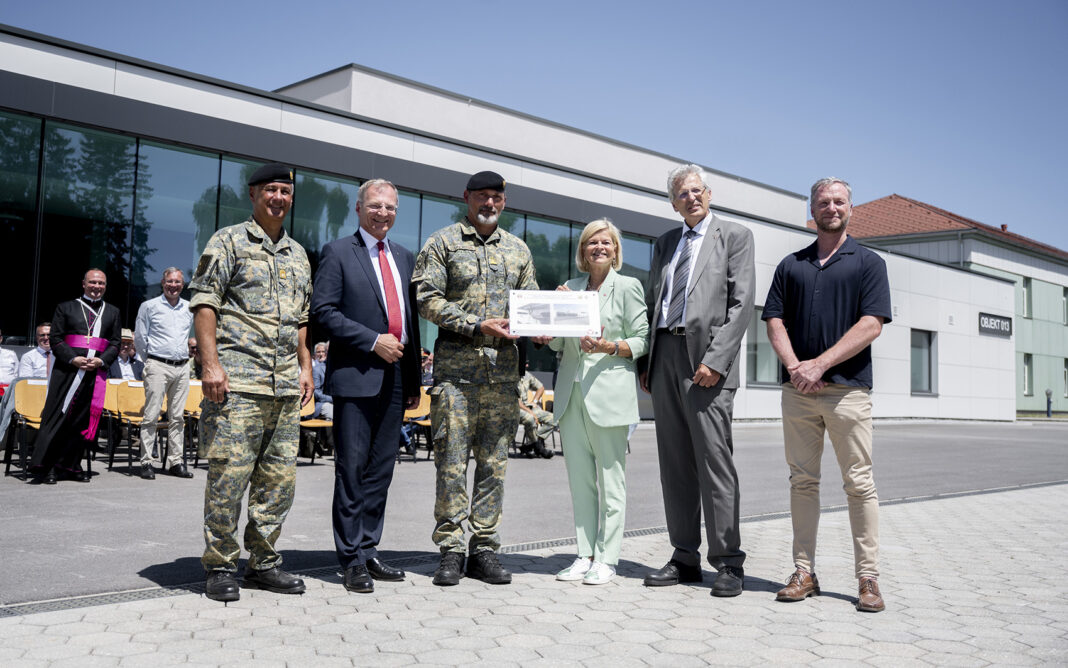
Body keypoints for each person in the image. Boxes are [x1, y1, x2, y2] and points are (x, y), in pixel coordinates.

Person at [763, 177, 892, 613]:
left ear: (850, 209)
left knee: (859, 483)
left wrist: (820, 364)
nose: (831, 207)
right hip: (798, 393)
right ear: (812, 210)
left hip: (847, 393)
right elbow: (774, 321)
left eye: (839, 201)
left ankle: (868, 578)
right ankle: (804, 571)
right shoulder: (791, 265)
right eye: (824, 202)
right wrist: (797, 367)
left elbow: (871, 323)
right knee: (803, 482)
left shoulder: (868, 263)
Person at [189, 162, 313, 603]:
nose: (279, 197)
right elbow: (204, 303)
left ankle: (263, 562)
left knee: (278, 481)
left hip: (283, 388)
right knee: (229, 477)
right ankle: (220, 565)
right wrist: (211, 365)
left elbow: (301, 317)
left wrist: (305, 366)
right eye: (271, 190)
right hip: (238, 382)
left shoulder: (298, 254)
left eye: (286, 190)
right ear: (254, 194)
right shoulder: (228, 241)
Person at [414, 170, 543, 586]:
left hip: (502, 378)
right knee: (451, 464)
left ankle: (484, 549)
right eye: (482, 197)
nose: (490, 204)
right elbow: (425, 297)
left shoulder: (519, 251)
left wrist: (543, 322)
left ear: (504, 202)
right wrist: (475, 324)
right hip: (456, 377)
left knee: (494, 464)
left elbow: (531, 302)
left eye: (497, 198)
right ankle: (451, 550)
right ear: (467, 198)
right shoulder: (443, 243)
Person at [638, 164, 755, 597]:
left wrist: (717, 359)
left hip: (707, 360)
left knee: (714, 462)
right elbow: (656, 302)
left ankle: (728, 562)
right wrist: (647, 361)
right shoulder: (667, 242)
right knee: (674, 463)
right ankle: (684, 555)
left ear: (709, 193)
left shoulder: (735, 237)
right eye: (683, 194)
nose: (692, 198)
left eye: (697, 190)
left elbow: (742, 304)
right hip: (665, 354)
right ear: (673, 203)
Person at [312, 178, 422, 594]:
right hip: (356, 378)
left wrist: (412, 378)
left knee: (381, 471)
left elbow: (409, 322)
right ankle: (350, 558)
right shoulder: (338, 253)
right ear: (358, 209)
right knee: (352, 470)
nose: (383, 213)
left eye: (390, 208)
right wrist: (372, 341)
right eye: (375, 206)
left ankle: (370, 549)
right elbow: (323, 312)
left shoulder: (405, 257)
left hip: (395, 381)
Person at [550, 218, 648, 585]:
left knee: (611, 482)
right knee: (580, 482)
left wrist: (611, 346)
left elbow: (642, 339)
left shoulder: (628, 287)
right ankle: (584, 554)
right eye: (592, 242)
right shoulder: (570, 288)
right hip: (571, 395)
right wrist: (549, 329)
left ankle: (607, 558)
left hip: (609, 395)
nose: (599, 248)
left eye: (606, 242)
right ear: (583, 251)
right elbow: (561, 343)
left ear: (616, 250)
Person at [29, 269, 121, 484]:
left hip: (94, 374)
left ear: (105, 286)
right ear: (83, 283)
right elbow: (56, 339)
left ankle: (70, 465)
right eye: (92, 282)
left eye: (101, 283)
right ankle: (48, 466)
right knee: (57, 418)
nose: (96, 287)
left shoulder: (113, 311)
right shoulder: (65, 307)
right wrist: (73, 359)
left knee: (81, 421)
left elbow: (115, 342)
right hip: (67, 372)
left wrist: (101, 361)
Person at [134, 268, 195, 481]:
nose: (173, 285)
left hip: (182, 366)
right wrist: (151, 360)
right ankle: (147, 462)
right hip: (158, 365)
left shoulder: (189, 308)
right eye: (169, 281)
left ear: (182, 284)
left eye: (177, 282)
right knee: (151, 415)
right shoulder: (149, 307)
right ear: (162, 282)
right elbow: (140, 339)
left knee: (177, 417)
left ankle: (175, 462)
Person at [516, 366, 555, 459]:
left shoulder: (526, 375)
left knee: (553, 419)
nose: (527, 366)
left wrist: (535, 401)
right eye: (524, 363)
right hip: (514, 408)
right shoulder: (509, 376)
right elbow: (516, 401)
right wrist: (531, 412)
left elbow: (541, 387)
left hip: (527, 407)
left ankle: (531, 445)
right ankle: (538, 447)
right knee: (530, 418)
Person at [311, 343, 333, 420]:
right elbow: (316, 391)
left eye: (323, 351)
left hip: (339, 402)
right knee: (333, 412)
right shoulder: (317, 369)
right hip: (323, 403)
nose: (322, 354)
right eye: (319, 352)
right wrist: (332, 399)